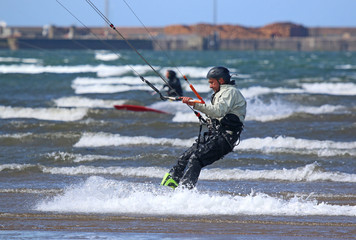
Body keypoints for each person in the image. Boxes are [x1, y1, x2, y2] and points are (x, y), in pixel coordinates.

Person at [161, 66, 247, 189]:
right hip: (215, 136)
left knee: (196, 159)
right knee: (184, 158)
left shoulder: (230, 92)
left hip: (225, 139)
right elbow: (217, 115)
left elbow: (218, 111)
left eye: (212, 82)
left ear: (221, 81)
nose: (210, 86)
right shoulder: (221, 93)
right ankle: (168, 189)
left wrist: (195, 104)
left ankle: (185, 192)